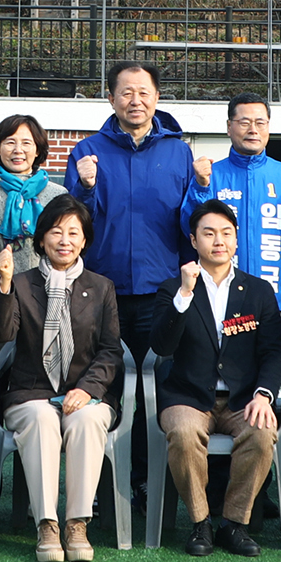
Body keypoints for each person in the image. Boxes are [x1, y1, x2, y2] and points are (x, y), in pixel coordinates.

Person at [67, 61, 194, 497]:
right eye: (125, 92)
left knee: (159, 390)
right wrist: (85, 188)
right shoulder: (87, 151)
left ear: (157, 98)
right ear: (110, 99)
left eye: (143, 92)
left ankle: (149, 482)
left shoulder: (180, 152)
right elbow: (72, 226)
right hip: (103, 291)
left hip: (162, 292)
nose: (135, 100)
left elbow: (189, 224)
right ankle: (100, 488)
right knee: (104, 385)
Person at [0, 195, 123, 562]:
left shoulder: (101, 287)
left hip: (87, 393)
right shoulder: (21, 282)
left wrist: (87, 389)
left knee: (86, 419)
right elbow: (1, 334)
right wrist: (3, 284)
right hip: (31, 393)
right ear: (42, 238)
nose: (64, 240)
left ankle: (76, 522)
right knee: (43, 419)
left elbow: (111, 350)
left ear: (84, 240)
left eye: (73, 233)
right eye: (56, 231)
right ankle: (46, 524)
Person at [150, 200, 281, 557]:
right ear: (194, 240)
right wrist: (184, 295)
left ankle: (233, 524)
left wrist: (263, 395)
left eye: (226, 233)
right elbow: (161, 343)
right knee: (182, 432)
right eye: (208, 233)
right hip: (188, 395)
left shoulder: (258, 291)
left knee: (261, 432)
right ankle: (200, 523)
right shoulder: (173, 288)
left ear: (237, 240)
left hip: (243, 399)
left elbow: (273, 351)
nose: (218, 240)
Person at [179, 92, 281, 318]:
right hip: (218, 303)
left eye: (260, 123)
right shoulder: (211, 176)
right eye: (244, 122)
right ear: (229, 127)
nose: (253, 129)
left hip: (273, 304)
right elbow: (188, 230)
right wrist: (201, 187)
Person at [0, 114, 64, 368]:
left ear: (38, 149)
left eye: (26, 143)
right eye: (10, 142)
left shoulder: (56, 194)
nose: (18, 150)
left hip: (41, 295)